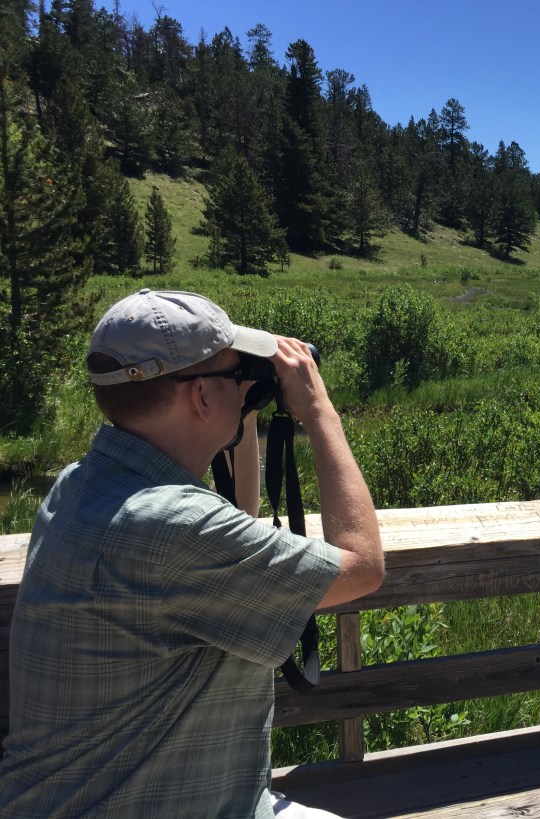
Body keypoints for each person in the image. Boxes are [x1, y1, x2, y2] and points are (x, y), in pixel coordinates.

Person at [0, 289, 384, 818]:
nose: (247, 380)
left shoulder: (78, 487)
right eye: (236, 373)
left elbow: (235, 535)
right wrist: (319, 411)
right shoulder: (172, 528)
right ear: (201, 397)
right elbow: (361, 566)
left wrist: (241, 416)